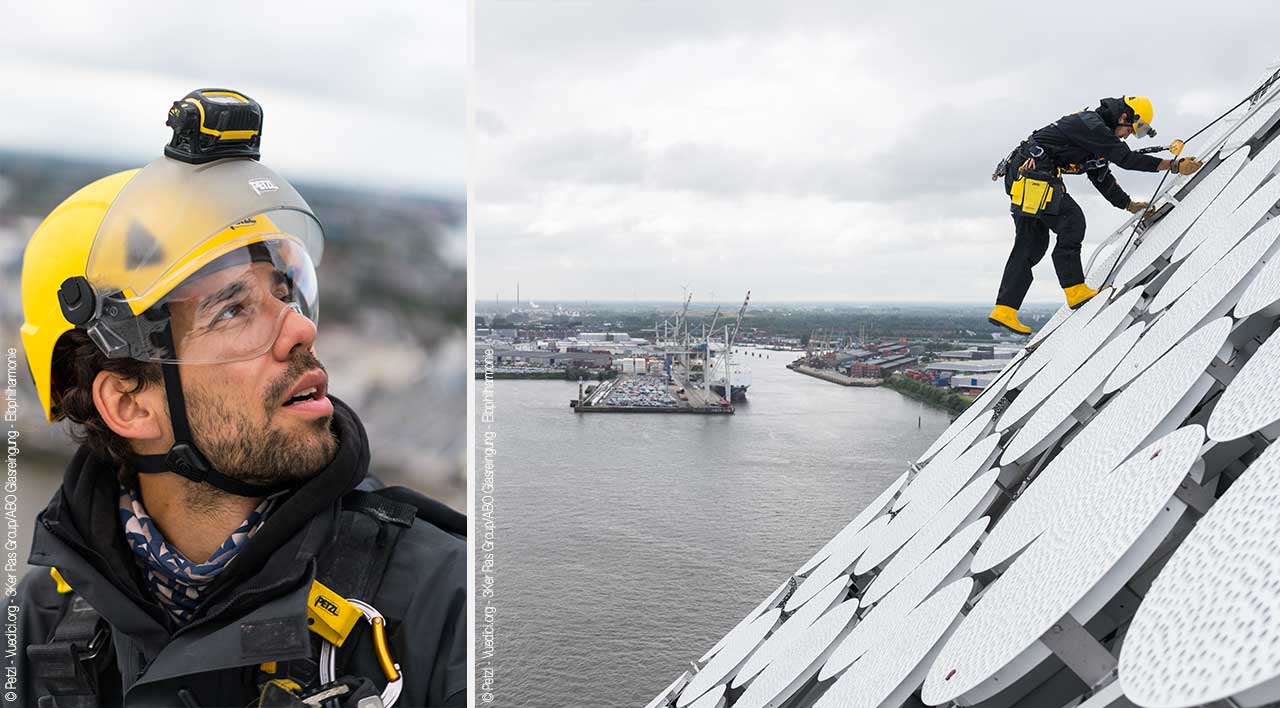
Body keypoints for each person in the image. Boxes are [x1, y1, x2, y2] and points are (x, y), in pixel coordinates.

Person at [9, 89, 466, 707]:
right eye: (231, 310)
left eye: (284, 290)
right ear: (130, 404)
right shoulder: (34, 631)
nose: (300, 328)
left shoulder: (450, 610)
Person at [988, 96, 1205, 335]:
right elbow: (1127, 159)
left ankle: (1004, 309)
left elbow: (1101, 177)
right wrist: (1173, 165)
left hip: (1023, 175)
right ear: (1124, 116)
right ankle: (1075, 290)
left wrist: (1128, 205)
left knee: (1031, 243)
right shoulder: (1092, 124)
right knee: (1072, 221)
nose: (1127, 137)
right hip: (1033, 174)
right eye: (1129, 130)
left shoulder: (1094, 137)